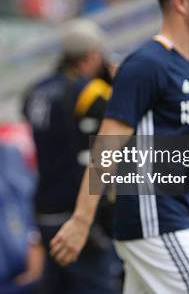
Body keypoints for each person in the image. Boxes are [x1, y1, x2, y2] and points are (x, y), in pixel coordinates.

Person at [49, 0, 189, 294]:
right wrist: (82, 220)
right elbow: (107, 146)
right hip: (158, 224)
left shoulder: (187, 70)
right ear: (182, 3)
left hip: (167, 222)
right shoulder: (147, 64)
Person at [22, 19, 119, 294]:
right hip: (78, 211)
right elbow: (118, 120)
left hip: (45, 206)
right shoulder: (87, 91)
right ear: (91, 57)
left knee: (55, 286)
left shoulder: (35, 92)